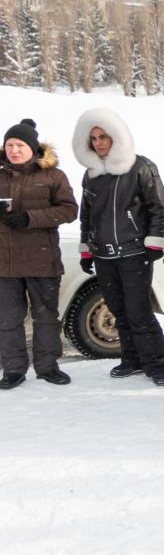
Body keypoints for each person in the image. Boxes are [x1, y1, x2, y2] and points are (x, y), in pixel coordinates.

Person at [73, 109, 164, 385]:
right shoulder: (91, 174)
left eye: (104, 136)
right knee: (118, 309)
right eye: (94, 138)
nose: (99, 143)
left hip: (134, 253)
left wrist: (155, 242)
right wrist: (86, 249)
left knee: (139, 312)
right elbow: (87, 215)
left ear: (116, 137)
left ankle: (158, 364)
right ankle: (131, 359)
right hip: (104, 255)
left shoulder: (140, 167)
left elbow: (158, 207)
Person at [0, 119, 77, 389]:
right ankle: (13, 369)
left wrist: (29, 218)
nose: (14, 150)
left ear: (33, 148)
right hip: (4, 263)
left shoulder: (53, 176)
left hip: (42, 260)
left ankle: (48, 367)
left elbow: (69, 210)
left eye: (20, 145)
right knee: (7, 320)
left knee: (46, 318)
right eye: (9, 145)